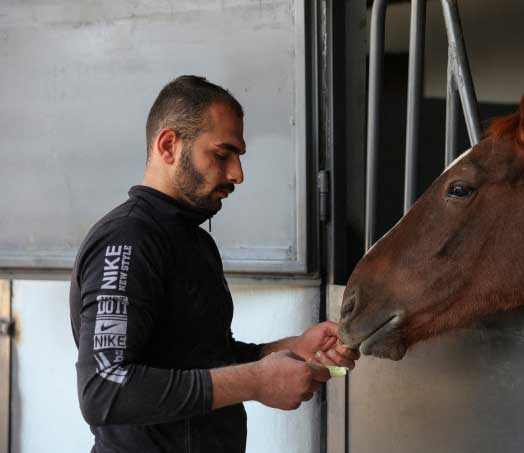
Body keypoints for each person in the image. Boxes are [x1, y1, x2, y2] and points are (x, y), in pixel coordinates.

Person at [69, 75, 359, 453]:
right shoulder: (128, 239)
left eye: (238, 157)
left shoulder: (194, 240)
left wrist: (291, 348)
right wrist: (255, 381)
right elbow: (104, 388)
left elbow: (199, 356)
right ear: (168, 145)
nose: (237, 173)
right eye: (222, 155)